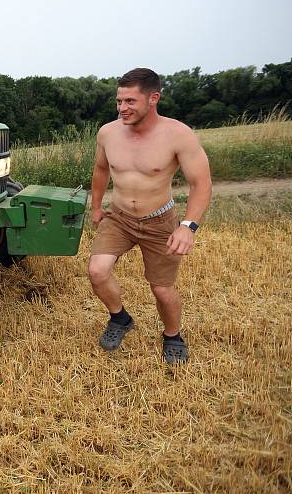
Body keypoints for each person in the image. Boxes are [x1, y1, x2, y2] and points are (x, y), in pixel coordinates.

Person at [88, 68, 212, 364]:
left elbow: (202, 183)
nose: (122, 108)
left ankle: (173, 336)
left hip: (159, 221)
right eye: (119, 101)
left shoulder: (178, 135)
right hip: (119, 217)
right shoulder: (108, 133)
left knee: (161, 288)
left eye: (130, 101)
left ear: (153, 98)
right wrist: (95, 206)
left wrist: (188, 227)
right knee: (97, 271)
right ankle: (120, 319)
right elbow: (102, 170)